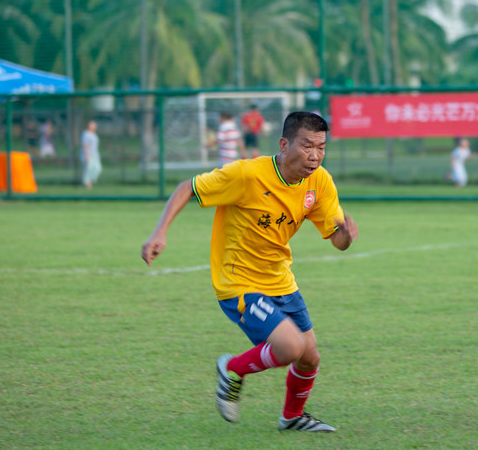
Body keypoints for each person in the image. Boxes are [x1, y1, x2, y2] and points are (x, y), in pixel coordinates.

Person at [141, 111, 359, 432]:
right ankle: (231, 368)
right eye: (307, 146)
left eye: (321, 147)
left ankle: (292, 417)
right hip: (239, 282)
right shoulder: (247, 175)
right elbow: (187, 188)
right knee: (290, 348)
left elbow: (337, 240)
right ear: (284, 145)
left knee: (309, 357)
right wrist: (159, 232)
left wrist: (346, 235)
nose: (314, 156)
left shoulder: (320, 181)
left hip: (281, 281)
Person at [81, 120, 102, 188]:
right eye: (91, 124)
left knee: (98, 169)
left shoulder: (94, 134)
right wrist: (87, 156)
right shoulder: (86, 134)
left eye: (94, 125)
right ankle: (87, 183)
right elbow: (85, 145)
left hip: (95, 155)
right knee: (88, 169)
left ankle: (90, 181)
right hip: (88, 155)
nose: (93, 126)